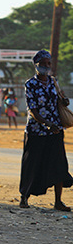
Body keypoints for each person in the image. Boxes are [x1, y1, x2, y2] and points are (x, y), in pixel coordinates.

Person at [19, 50, 73, 211]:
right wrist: (47, 123)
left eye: (48, 63)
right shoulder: (30, 84)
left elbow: (59, 100)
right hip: (36, 131)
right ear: (36, 64)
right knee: (31, 164)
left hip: (55, 130)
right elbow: (32, 110)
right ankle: (24, 197)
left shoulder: (53, 82)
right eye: (43, 63)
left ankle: (58, 201)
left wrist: (64, 101)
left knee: (59, 165)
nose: (46, 66)